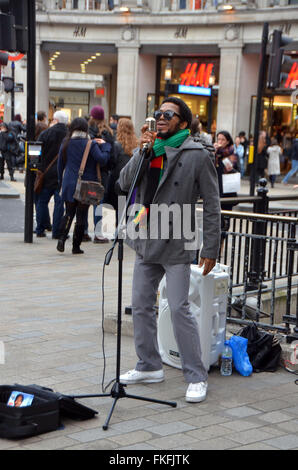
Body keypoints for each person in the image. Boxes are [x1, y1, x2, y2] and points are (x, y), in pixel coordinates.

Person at [118, 97, 221, 403]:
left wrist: (211, 246)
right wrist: (142, 150)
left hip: (178, 239)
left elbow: (213, 205)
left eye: (167, 114)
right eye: (157, 114)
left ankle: (196, 375)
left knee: (178, 308)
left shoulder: (196, 154)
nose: (160, 118)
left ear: (183, 123)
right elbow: (124, 184)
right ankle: (149, 365)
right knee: (140, 304)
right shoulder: (149, 149)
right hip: (146, 236)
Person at [56, 117, 111, 254]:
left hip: (69, 182)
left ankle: (61, 239)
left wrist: (60, 182)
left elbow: (59, 165)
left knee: (68, 213)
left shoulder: (66, 142)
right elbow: (102, 160)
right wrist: (105, 146)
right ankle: (76, 246)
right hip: (86, 184)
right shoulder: (90, 144)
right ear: (86, 128)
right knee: (81, 215)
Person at [35, 111, 69, 239]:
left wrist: (38, 168)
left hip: (46, 172)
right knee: (59, 203)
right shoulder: (69, 135)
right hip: (62, 173)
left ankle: (40, 229)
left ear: (55, 120)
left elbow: (36, 151)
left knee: (42, 201)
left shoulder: (46, 133)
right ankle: (56, 232)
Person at [87, 105, 115, 243]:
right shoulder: (108, 132)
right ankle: (98, 234)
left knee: (84, 201)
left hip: (87, 171)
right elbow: (111, 156)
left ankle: (84, 232)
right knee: (99, 202)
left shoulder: (87, 131)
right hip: (102, 174)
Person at [105, 117, 138, 225]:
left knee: (119, 208)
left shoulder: (117, 145)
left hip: (118, 180)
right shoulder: (136, 144)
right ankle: (129, 232)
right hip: (133, 180)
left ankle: (118, 236)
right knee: (130, 208)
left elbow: (112, 162)